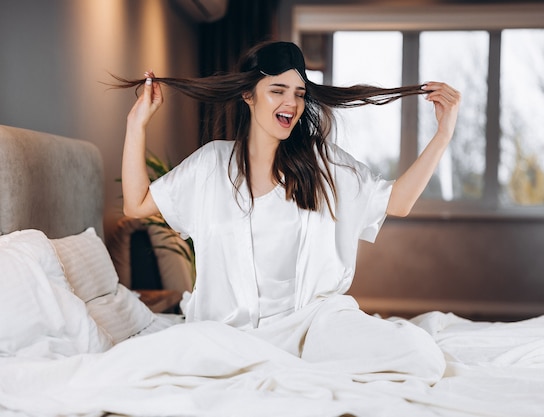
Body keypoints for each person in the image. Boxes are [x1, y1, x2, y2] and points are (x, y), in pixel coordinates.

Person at [116, 41, 460, 382]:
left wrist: (443, 134)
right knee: (143, 365)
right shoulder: (211, 164)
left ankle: (302, 367)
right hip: (230, 335)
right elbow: (137, 204)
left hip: (313, 326)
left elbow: (398, 202)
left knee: (421, 358)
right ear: (248, 94)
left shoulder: (324, 164)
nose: (291, 103)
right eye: (277, 90)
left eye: (299, 93)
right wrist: (137, 125)